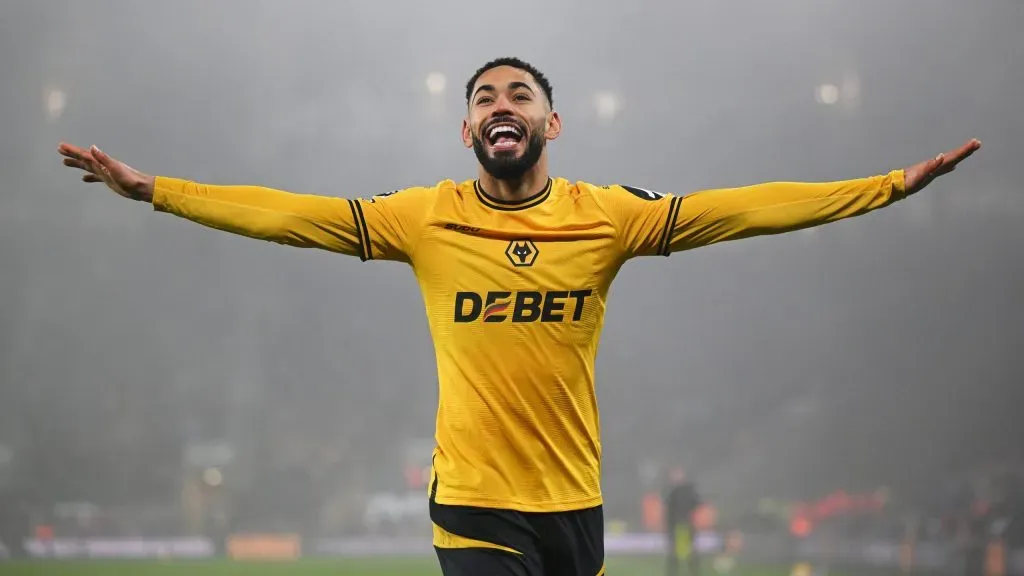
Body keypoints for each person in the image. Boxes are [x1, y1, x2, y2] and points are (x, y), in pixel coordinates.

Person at [57, 57, 980, 576]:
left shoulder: (608, 215)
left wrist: (884, 190)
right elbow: (291, 215)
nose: (501, 107)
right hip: (475, 508)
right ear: (467, 133)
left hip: (577, 507)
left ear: (552, 123)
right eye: (484, 100)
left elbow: (741, 208)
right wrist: (159, 193)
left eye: (519, 96)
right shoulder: (423, 217)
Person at [664, 467, 701, 576]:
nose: (675, 477)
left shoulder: (688, 490)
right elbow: (668, 509)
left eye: (677, 474)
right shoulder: (671, 491)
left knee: (690, 550)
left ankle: (693, 571)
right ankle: (673, 571)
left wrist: (687, 513)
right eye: (673, 475)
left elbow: (697, 502)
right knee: (674, 551)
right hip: (674, 525)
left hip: (686, 524)